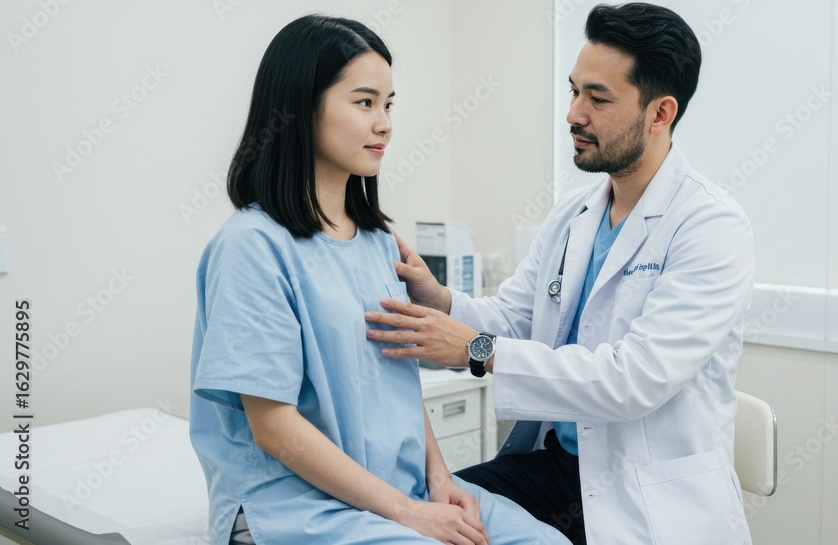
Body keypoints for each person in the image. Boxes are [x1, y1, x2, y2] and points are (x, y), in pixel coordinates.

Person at [363, 3, 755, 544]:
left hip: (644, 496)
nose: (574, 113)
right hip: (553, 469)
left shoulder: (711, 227)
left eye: (598, 98)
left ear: (661, 113)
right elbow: (516, 318)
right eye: (574, 91)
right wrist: (441, 301)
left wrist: (475, 348)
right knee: (418, 520)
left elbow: (631, 380)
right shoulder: (575, 216)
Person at [189, 14, 571, 545]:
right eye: (364, 102)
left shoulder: (378, 243)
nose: (385, 123)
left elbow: (400, 382)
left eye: (388, 105)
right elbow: (272, 426)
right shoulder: (253, 246)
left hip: (398, 491)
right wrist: (406, 514)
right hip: (294, 505)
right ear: (299, 108)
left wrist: (439, 480)